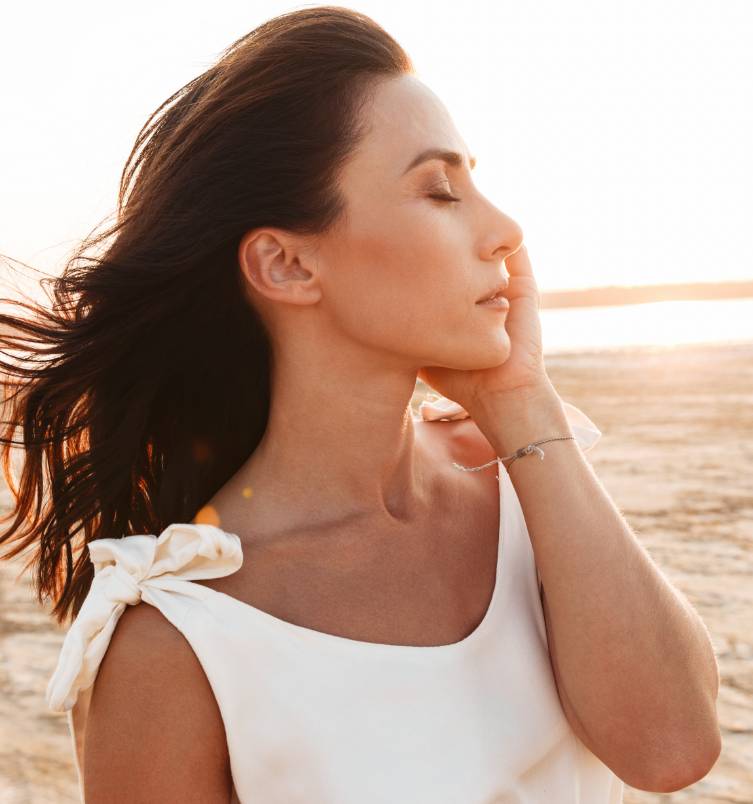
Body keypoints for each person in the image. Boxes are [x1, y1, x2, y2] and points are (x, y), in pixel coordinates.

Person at [0, 6, 720, 802]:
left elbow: (671, 748)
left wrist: (523, 402)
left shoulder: (527, 479)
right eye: (440, 191)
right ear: (286, 265)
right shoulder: (181, 640)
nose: (505, 230)